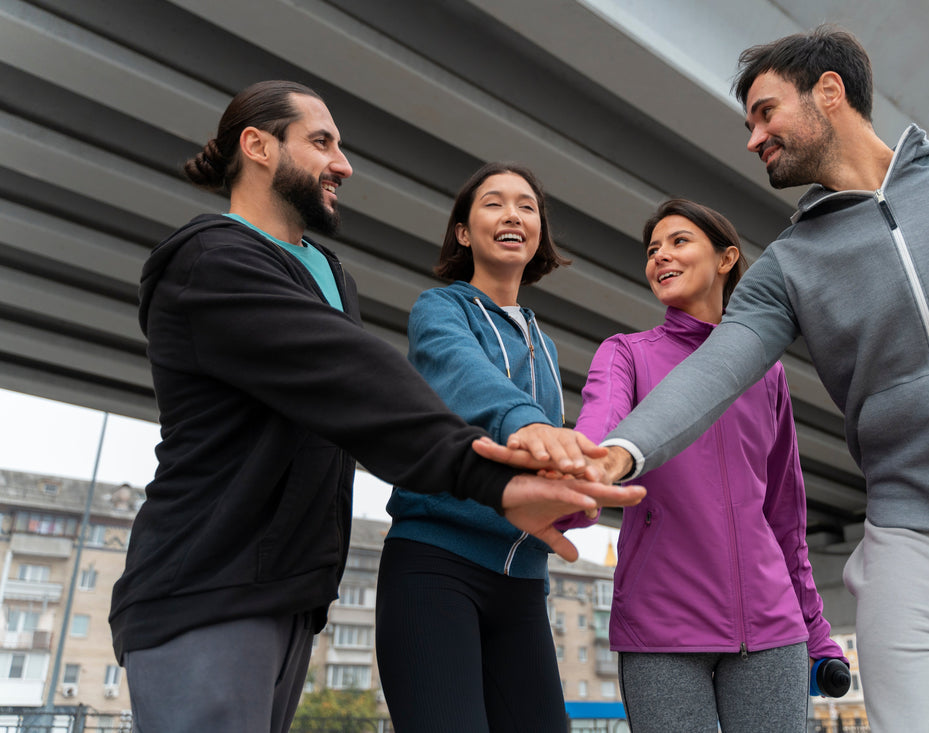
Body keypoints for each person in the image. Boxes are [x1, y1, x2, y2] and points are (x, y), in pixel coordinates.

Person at [478, 26, 929, 733]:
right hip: (913, 552)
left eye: (766, 113)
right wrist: (616, 454)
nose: (753, 138)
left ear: (828, 93)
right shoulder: (789, 266)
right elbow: (712, 371)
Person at [108, 82, 643, 733]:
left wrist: (566, 478)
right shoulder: (213, 258)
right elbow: (359, 381)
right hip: (206, 583)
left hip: (290, 588)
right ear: (257, 146)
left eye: (528, 205)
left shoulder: (330, 273)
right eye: (322, 142)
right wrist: (502, 469)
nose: (344, 164)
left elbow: (353, 414)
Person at [574, 198, 845, 732]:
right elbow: (600, 427)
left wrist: (817, 632)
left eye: (678, 242)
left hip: (772, 630)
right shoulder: (626, 353)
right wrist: (584, 465)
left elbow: (785, 518)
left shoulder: (767, 374)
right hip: (661, 628)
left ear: (726, 259)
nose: (660, 257)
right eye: (652, 250)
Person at [376, 162, 597, 733]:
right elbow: (464, 375)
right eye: (493, 203)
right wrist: (525, 423)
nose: (513, 216)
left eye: (527, 206)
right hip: (436, 569)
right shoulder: (440, 309)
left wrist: (572, 489)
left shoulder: (542, 341)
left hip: (524, 582)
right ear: (463, 231)